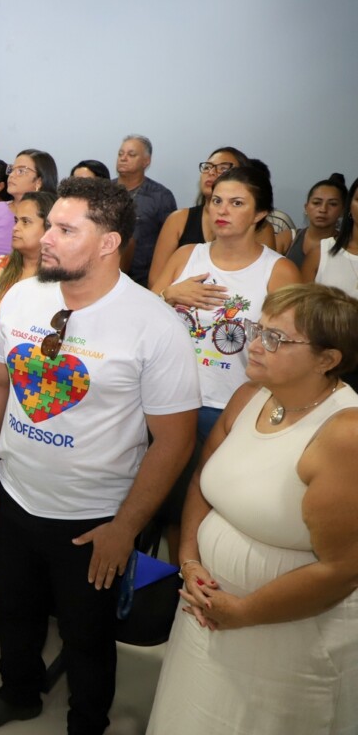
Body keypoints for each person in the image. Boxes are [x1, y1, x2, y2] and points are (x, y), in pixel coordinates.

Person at [0, 177, 200, 735]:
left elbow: (175, 441)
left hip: (94, 519)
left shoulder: (153, 325)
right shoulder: (24, 295)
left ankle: (87, 723)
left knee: (87, 635)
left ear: (108, 243)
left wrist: (125, 527)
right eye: (49, 225)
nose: (46, 238)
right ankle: (18, 692)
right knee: (13, 610)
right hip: (15, 494)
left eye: (66, 230)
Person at [147, 284, 358, 735]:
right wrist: (189, 560)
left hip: (290, 634)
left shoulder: (345, 434)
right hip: (206, 613)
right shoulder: (250, 395)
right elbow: (203, 483)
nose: (255, 344)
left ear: (327, 359)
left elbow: (343, 569)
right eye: (257, 329)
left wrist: (243, 612)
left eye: (276, 338)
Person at [152, 163, 299, 440]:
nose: (222, 210)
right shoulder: (186, 255)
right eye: (217, 201)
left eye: (237, 203)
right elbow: (144, 322)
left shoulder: (279, 271)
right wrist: (167, 295)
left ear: (260, 213)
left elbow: (292, 348)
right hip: (168, 397)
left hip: (233, 404)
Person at [148, 146, 276, 286]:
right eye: (207, 167)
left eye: (223, 168)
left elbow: (261, 279)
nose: (211, 172)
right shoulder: (179, 223)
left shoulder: (262, 231)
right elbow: (156, 282)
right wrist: (173, 292)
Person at [0, 191, 57, 382]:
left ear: (49, 228)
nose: (15, 228)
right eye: (16, 220)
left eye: (26, 222)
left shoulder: (62, 280)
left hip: (39, 383)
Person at [114, 135, 178, 285]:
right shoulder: (104, 191)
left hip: (144, 280)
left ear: (146, 161)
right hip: (105, 276)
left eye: (131, 155)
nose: (123, 158)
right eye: (120, 154)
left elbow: (170, 242)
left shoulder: (161, 196)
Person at [300, 177, 357, 299]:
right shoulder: (320, 253)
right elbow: (300, 304)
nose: (323, 209)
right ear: (349, 207)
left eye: (333, 204)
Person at [284, 175, 346, 268]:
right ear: (306, 207)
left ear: (343, 211)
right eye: (316, 203)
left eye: (332, 204)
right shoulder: (289, 238)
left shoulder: (348, 246)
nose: (323, 209)